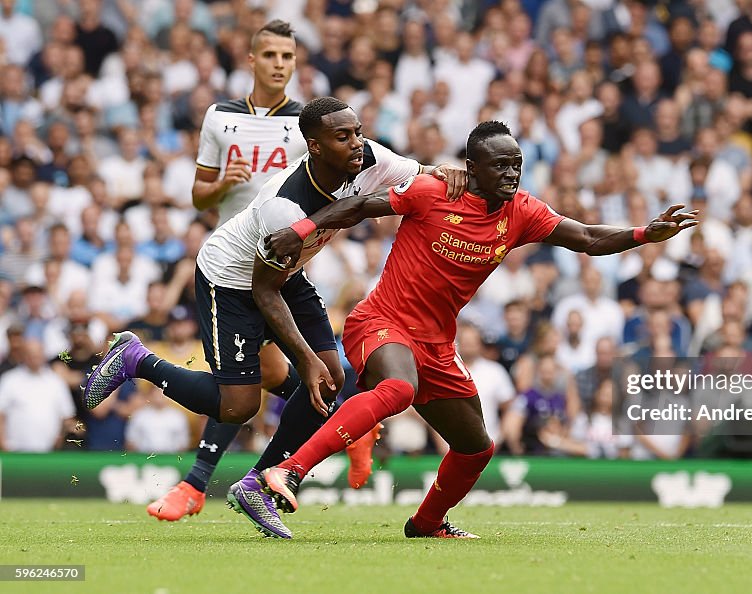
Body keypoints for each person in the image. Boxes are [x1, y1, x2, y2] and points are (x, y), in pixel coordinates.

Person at [251, 120, 698, 539]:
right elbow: (361, 205)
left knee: (476, 448)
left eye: (516, 164)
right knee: (399, 389)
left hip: (437, 343)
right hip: (381, 322)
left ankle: (428, 523)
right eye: (500, 165)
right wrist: (303, 228)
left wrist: (643, 233)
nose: (511, 173)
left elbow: (587, 238)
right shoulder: (432, 191)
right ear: (472, 168)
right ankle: (289, 470)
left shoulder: (521, 212)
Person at [82, 97, 466, 538]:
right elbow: (262, 289)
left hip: (286, 273)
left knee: (331, 377)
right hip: (233, 280)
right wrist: (304, 358)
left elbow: (424, 175)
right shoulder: (285, 206)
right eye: (343, 137)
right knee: (240, 405)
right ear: (314, 147)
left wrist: (450, 172)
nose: (357, 143)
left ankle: (258, 485)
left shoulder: (370, 157)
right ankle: (135, 359)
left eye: (357, 131)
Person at [146, 19, 312, 523]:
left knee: (271, 378)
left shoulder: (310, 122)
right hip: (234, 265)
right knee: (256, 383)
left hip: (285, 267)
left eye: (288, 56)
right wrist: (223, 184)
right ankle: (204, 484)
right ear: (252, 60)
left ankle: (198, 485)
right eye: (271, 56)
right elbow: (199, 195)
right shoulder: (221, 118)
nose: (279, 64)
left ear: (295, 63)